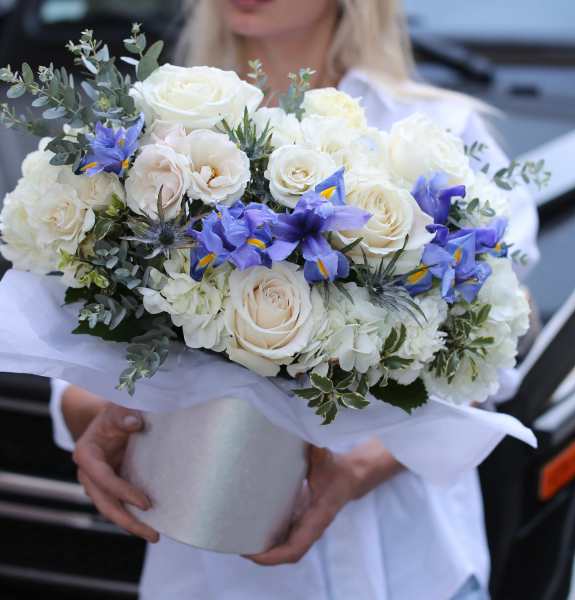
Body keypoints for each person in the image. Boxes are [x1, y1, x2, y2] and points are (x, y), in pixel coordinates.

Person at [50, 1, 540, 598]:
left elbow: (490, 350)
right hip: (211, 564)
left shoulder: (435, 132)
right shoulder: (154, 132)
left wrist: (358, 468)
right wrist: (105, 426)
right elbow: (74, 347)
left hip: (412, 566)